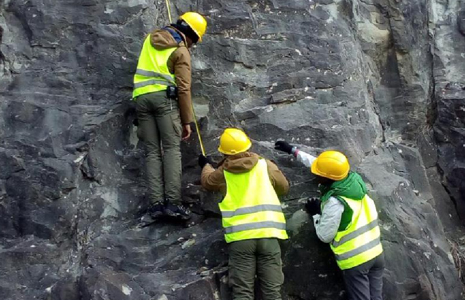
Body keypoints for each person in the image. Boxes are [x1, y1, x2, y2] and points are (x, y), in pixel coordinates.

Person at [275, 141, 384, 300]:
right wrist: (294, 151)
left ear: (327, 178)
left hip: (356, 261)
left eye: (318, 175)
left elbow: (325, 236)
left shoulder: (336, 201)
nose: (315, 175)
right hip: (376, 253)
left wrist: (316, 214)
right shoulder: (353, 180)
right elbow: (325, 167)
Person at [132, 12, 207, 220]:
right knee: (172, 149)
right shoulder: (180, 50)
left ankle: (156, 204)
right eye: (194, 41)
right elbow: (184, 89)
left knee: (152, 152)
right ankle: (173, 203)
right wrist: (187, 121)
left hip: (141, 99)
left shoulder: (150, 39)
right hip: (165, 101)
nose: (192, 45)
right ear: (191, 34)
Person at [199, 128, 289, 300]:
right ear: (248, 146)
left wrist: (206, 165)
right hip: (269, 234)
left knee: (243, 293)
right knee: (272, 292)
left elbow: (208, 182)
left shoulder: (223, 172)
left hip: (241, 239)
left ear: (224, 152)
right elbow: (284, 187)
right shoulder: (265, 165)